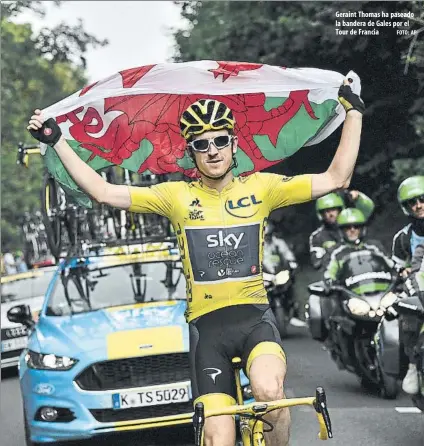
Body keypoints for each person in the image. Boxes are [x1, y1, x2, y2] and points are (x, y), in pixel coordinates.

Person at [27, 79, 364, 446]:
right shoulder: (175, 196)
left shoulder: (262, 188)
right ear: (191, 153)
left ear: (234, 144)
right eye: (201, 145)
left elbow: (337, 177)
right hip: (207, 331)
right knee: (219, 438)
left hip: (254, 320)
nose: (213, 150)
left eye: (221, 140)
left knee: (270, 393)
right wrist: (57, 139)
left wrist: (354, 112)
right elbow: (102, 191)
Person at [391, 176, 424, 394]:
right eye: (413, 202)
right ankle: (413, 364)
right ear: (407, 208)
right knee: (410, 309)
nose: (419, 205)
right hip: (418, 282)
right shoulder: (403, 238)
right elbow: (398, 267)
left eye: (422, 199)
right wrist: (403, 273)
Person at [324, 208, 395, 291]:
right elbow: (329, 274)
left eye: (356, 226)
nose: (352, 230)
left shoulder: (375, 246)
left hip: (380, 290)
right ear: (341, 231)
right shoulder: (335, 252)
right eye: (347, 227)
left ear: (362, 228)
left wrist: (400, 272)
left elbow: (393, 266)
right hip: (350, 296)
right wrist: (330, 282)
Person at [309, 189, 375, 270]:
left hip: (365, 266)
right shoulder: (317, 236)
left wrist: (358, 198)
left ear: (340, 210)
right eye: (326, 211)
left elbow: (369, 208)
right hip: (339, 274)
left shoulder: (353, 225)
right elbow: (317, 262)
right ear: (321, 214)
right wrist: (334, 251)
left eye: (333, 210)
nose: (330, 214)